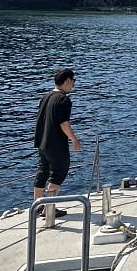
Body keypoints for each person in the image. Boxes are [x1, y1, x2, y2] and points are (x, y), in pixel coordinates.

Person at [33, 67, 82, 216]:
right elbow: (63, 123)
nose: (73, 84)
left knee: (43, 172)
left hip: (42, 142)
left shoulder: (46, 96)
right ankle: (49, 209)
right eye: (73, 81)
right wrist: (74, 139)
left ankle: (37, 205)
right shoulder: (63, 99)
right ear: (67, 81)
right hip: (56, 144)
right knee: (58, 174)